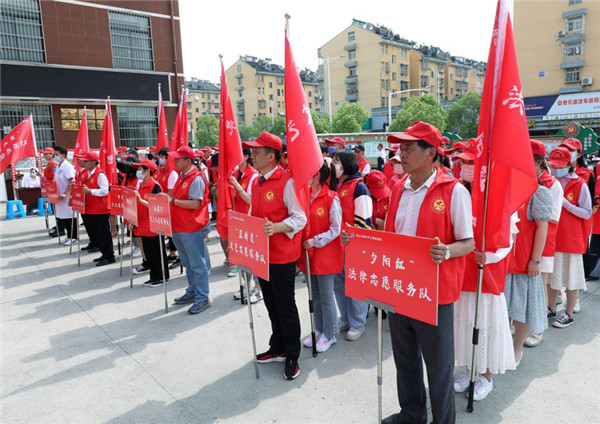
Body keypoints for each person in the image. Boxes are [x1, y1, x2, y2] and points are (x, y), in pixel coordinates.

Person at [377, 121, 474, 424]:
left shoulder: (453, 191)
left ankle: (443, 421)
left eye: (408, 147)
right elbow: (391, 234)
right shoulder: (397, 189)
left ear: (431, 153)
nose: (400, 153)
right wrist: (357, 239)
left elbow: (468, 242)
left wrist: (446, 250)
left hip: (433, 293)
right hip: (399, 288)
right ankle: (411, 413)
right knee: (405, 360)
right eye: (399, 147)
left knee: (438, 366)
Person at [452, 141, 516, 402]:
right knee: (466, 324)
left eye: (471, 163)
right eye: (464, 163)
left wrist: (488, 257)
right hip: (462, 272)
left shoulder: (497, 196)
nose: (466, 167)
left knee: (484, 325)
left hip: (485, 276)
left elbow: (509, 237)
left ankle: (486, 376)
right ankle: (470, 369)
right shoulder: (459, 193)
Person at [244, 131, 307, 381]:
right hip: (262, 255)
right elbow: (253, 212)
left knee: (285, 307)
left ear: (272, 156)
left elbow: (300, 218)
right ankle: (277, 347)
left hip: (281, 256)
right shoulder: (256, 181)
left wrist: (277, 227)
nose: (252, 156)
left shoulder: (288, 182)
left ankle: (292, 355)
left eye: (256, 152)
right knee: (271, 305)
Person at [505, 143, 553, 367]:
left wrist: (535, 260)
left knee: (522, 311)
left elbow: (542, 228)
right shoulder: (507, 187)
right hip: (503, 261)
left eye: (529, 160)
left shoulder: (539, 192)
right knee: (503, 311)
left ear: (539, 163)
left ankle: (516, 350)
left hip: (524, 262)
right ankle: (502, 348)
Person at [298, 162, 342, 353]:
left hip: (325, 255)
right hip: (308, 255)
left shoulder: (332, 198)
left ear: (317, 174)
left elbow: (336, 228)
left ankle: (331, 334)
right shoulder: (304, 196)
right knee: (313, 296)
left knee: (326, 297)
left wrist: (316, 240)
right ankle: (319, 330)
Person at [547, 147, 592, 328]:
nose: (556, 170)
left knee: (572, 279)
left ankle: (569, 312)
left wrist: (565, 204)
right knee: (552, 277)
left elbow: (587, 212)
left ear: (569, 164)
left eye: (560, 166)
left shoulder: (579, 184)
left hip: (572, 239)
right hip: (553, 238)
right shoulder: (550, 182)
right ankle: (550, 308)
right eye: (553, 166)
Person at [525, 140, 563, 347]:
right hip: (523, 243)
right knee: (524, 289)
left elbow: (552, 218)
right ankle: (523, 325)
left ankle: (537, 330)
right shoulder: (523, 180)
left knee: (539, 289)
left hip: (543, 245)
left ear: (539, 162)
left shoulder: (552, 185)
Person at [333, 148, 373, 341]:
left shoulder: (359, 187)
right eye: (333, 161)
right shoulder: (338, 186)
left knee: (356, 285)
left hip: (353, 246)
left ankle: (358, 322)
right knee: (339, 285)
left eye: (337, 161)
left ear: (347, 163)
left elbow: (365, 221)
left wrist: (356, 241)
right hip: (337, 246)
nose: (334, 165)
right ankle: (346, 318)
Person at [168, 146, 211, 314]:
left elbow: (195, 203)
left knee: (197, 264)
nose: (174, 161)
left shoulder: (196, 178)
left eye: (178, 159)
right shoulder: (182, 176)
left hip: (191, 228)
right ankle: (192, 291)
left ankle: (202, 297)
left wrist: (172, 201)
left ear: (188, 160)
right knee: (188, 263)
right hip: (179, 226)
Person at [227, 148, 263, 304]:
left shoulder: (254, 175)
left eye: (238, 155)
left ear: (246, 157)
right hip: (238, 222)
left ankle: (258, 289)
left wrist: (236, 185)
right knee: (243, 257)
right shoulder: (235, 173)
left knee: (254, 258)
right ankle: (246, 286)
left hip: (250, 222)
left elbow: (250, 200)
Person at [560, 137, 595, 280]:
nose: (567, 153)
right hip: (560, 225)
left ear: (579, 154)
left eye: (571, 150)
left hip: (578, 224)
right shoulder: (556, 174)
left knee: (577, 259)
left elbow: (590, 205)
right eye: (565, 149)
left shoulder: (587, 175)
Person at [133, 159, 170, 287]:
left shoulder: (155, 186)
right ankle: (153, 276)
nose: (138, 171)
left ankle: (162, 276)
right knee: (149, 253)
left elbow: (157, 205)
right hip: (143, 224)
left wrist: (140, 200)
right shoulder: (141, 185)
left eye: (140, 169)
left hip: (154, 225)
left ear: (147, 170)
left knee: (157, 252)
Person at [80, 152, 115, 267]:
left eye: (86, 161)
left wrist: (91, 191)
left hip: (101, 209)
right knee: (98, 234)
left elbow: (105, 190)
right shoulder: (88, 173)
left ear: (93, 162)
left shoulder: (100, 175)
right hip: (92, 209)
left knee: (103, 233)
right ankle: (104, 254)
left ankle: (109, 256)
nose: (83, 163)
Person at [156, 147, 180, 267]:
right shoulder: (161, 171)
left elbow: (171, 192)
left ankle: (177, 255)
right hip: (161, 207)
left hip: (170, 207)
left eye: (163, 157)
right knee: (169, 234)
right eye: (159, 157)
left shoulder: (172, 173)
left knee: (174, 234)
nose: (160, 159)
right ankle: (172, 254)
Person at [53, 146, 78, 245]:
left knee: (70, 217)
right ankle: (69, 236)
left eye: (57, 154)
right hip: (60, 196)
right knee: (64, 217)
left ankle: (74, 237)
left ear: (63, 155)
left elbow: (72, 181)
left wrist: (65, 193)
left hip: (67, 196)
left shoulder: (67, 166)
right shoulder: (59, 166)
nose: (55, 156)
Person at [39, 147, 61, 237]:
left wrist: (53, 190)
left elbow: (54, 177)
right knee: (54, 209)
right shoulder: (49, 163)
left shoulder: (53, 163)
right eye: (43, 154)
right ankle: (59, 225)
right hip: (50, 189)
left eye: (46, 153)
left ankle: (61, 228)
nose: (44, 155)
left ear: (52, 154)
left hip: (53, 189)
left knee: (56, 209)